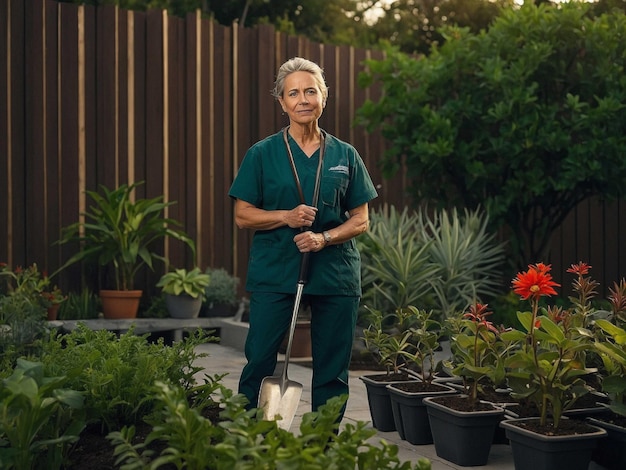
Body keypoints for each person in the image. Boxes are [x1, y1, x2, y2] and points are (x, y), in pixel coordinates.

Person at [228, 57, 378, 420]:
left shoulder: (345, 154)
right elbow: (242, 215)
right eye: (293, 93)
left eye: (311, 90)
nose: (303, 99)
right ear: (282, 102)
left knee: (331, 368)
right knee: (261, 357)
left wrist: (324, 237)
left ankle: (322, 446)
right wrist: (286, 216)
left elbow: (361, 220)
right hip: (275, 270)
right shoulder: (262, 154)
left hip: (335, 274)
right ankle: (253, 439)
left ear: (324, 97)